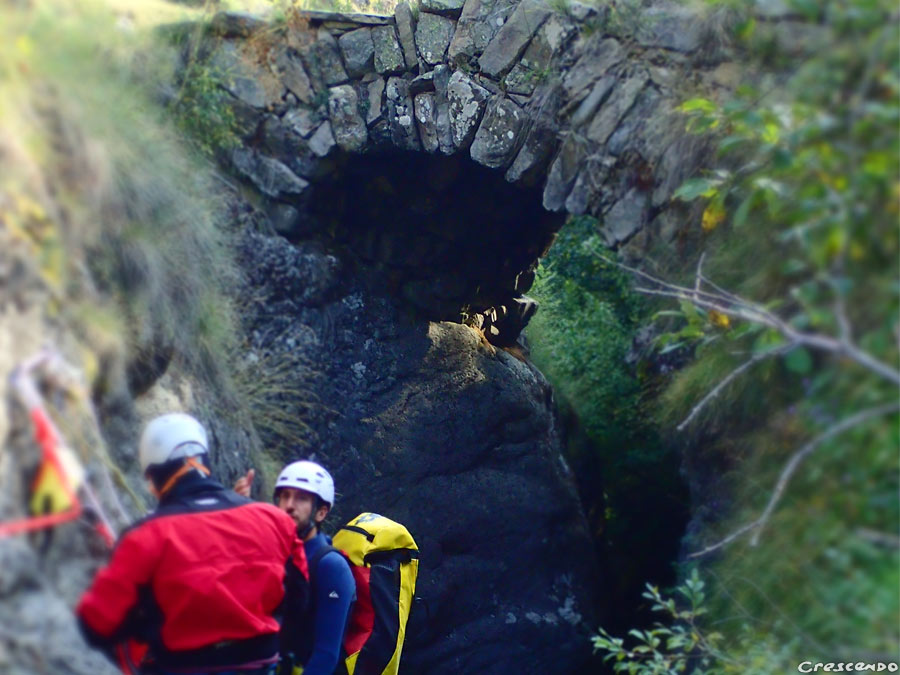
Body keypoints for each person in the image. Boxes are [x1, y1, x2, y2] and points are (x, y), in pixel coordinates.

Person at [77, 413, 309, 675]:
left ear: (154, 477)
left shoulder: (146, 536)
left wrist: (145, 625)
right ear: (205, 461)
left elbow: (98, 623)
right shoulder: (276, 521)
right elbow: (299, 597)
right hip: (259, 663)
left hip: (182, 666)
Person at [236, 461, 355, 675]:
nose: (289, 505)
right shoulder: (271, 552)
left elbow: (326, 655)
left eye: (301, 498)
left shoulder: (331, 566)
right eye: (285, 496)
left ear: (321, 513)